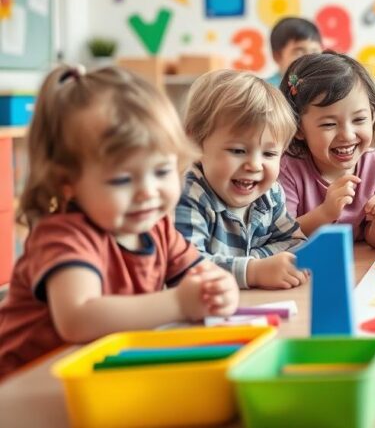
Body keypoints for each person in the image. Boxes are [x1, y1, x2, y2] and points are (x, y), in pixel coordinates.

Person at [0, 66, 238, 379]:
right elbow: (78, 317)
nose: (148, 193)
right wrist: (180, 302)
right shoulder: (62, 236)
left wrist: (220, 289)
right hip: (26, 385)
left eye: (162, 171)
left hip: (99, 374)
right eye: (123, 179)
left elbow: (201, 276)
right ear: (67, 182)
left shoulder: (158, 228)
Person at [176, 70, 307, 289]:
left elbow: (296, 243)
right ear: (195, 144)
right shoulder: (188, 194)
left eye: (269, 154)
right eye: (237, 151)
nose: (255, 165)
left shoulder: (270, 194)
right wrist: (253, 271)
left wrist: (255, 260)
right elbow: (185, 270)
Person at [278, 52, 375, 248]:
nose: (348, 135)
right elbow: (280, 238)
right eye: (329, 124)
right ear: (298, 128)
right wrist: (325, 212)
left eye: (359, 119)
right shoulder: (287, 169)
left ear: (373, 115)